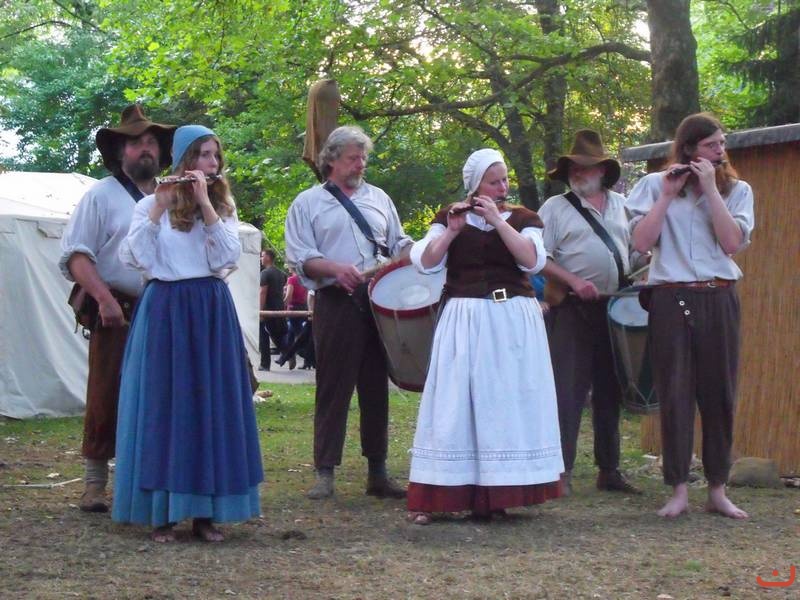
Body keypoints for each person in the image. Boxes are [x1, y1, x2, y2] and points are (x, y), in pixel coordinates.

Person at [112, 125, 263, 542]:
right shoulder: (149, 206)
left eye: (215, 156)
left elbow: (227, 257)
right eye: (203, 155)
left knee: (209, 407)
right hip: (165, 308)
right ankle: (162, 512)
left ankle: (205, 514)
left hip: (210, 309)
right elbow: (136, 259)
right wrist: (159, 208)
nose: (211, 164)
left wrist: (206, 206)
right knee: (164, 407)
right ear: (184, 160)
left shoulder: (222, 208)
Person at [406, 148, 564, 525]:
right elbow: (426, 262)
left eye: (504, 180)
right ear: (476, 185)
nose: (502, 187)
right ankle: (444, 493)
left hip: (511, 318)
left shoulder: (524, 218)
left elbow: (532, 261)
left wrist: (498, 221)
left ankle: (502, 493)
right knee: (455, 403)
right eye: (494, 182)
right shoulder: (450, 216)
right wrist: (452, 231)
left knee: (506, 403)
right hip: (465, 317)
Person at [627, 113, 754, 519]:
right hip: (671, 297)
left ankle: (717, 489)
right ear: (688, 149)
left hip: (718, 296)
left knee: (719, 392)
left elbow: (731, 243)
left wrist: (711, 189)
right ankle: (678, 489)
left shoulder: (738, 190)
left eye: (722, 144)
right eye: (711, 145)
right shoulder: (654, 185)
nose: (720, 151)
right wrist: (667, 196)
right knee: (676, 392)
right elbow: (641, 243)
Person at [284, 125, 412, 500]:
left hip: (377, 301)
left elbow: (399, 243)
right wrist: (335, 269)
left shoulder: (380, 198)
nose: (361, 164)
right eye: (354, 158)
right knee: (333, 387)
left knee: (376, 387)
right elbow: (301, 256)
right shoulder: (307, 203)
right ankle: (324, 472)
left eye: (364, 157)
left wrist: (415, 253)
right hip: (336, 302)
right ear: (332, 160)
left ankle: (378, 472)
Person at [59, 104, 176, 512]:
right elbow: (76, 256)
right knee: (107, 389)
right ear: (120, 151)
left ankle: (149, 480)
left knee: (161, 394)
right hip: (117, 307)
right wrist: (105, 300)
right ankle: (94, 483)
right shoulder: (100, 196)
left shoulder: (174, 195)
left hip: (165, 307)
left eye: (152, 142)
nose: (145, 149)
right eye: (136, 142)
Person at [538, 130, 640, 496]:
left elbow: (635, 250)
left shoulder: (623, 204)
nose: (578, 174)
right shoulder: (554, 209)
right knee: (568, 392)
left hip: (614, 309)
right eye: (573, 169)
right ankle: (559, 471)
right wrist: (573, 281)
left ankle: (609, 470)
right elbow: (537, 258)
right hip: (572, 309)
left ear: (602, 170)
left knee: (610, 390)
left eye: (585, 167)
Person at [259, 249, 290, 371]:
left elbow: (263, 292)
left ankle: (265, 364)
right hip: (279, 308)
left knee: (264, 335)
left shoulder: (265, 273)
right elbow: (283, 291)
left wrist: (260, 310)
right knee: (277, 334)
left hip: (268, 309)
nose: (261, 258)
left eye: (262, 256)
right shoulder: (281, 274)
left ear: (268, 257)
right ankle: (287, 353)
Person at [283, 268, 312, 369]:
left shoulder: (291, 279)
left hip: (293, 309)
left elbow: (289, 296)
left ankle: (308, 358)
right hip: (303, 308)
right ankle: (285, 357)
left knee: (299, 336)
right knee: (291, 334)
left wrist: (282, 305)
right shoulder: (304, 279)